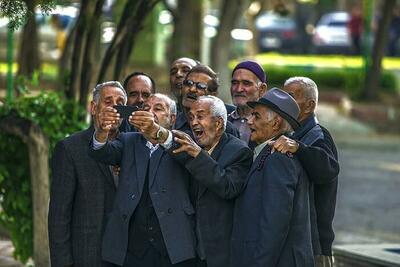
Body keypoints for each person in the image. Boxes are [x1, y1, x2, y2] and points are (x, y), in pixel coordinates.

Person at [89, 93, 197, 267]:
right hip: (130, 246)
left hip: (173, 244)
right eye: (146, 109)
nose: (150, 113)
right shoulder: (127, 139)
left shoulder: (182, 140)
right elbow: (101, 152)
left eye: (158, 109)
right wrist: (102, 131)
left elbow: (190, 159)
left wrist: (158, 133)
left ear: (172, 118)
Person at [159, 96, 252, 267]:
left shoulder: (239, 151)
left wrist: (198, 155)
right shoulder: (189, 146)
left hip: (221, 251)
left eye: (200, 116)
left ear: (218, 124)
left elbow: (228, 187)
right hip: (189, 249)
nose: (194, 123)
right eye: (191, 117)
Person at [231, 88, 313, 267]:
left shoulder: (278, 157)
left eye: (257, 116)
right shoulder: (269, 152)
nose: (249, 121)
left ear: (276, 124)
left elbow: (274, 224)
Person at [48, 81, 127, 267]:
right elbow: (59, 216)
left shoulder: (134, 146)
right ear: (93, 107)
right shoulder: (70, 149)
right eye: (108, 101)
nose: (115, 108)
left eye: (120, 102)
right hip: (87, 256)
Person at [271, 77, 339, 267]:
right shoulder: (289, 133)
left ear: (309, 106)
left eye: (291, 97)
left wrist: (299, 148)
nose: (284, 102)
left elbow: (328, 170)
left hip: (313, 247)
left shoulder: (318, 135)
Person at [176, 64, 240, 138]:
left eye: (200, 86)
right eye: (189, 83)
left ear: (213, 95)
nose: (192, 89)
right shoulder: (171, 121)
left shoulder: (225, 129)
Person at [229, 60, 267, 149]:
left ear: (262, 89)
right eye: (235, 83)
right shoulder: (223, 120)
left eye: (246, 83)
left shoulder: (269, 125)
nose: (238, 89)